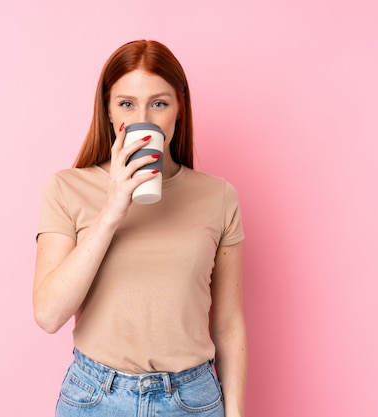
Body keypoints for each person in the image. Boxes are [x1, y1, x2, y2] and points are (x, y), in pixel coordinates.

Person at [34, 39, 246, 417]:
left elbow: (228, 324)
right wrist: (112, 211)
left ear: (179, 109)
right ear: (108, 109)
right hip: (95, 397)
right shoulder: (67, 187)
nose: (143, 116)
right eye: (127, 103)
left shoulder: (219, 196)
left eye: (159, 103)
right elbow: (49, 315)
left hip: (192, 399)